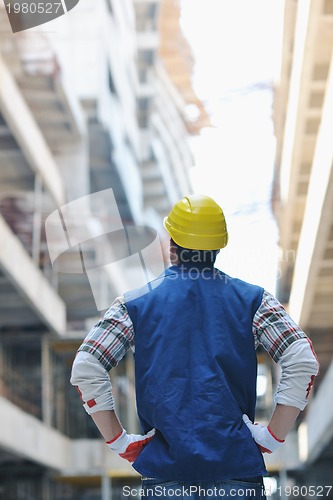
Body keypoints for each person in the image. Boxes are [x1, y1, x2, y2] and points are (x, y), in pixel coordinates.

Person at [70, 194, 319, 500]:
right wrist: (273, 435)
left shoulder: (134, 305)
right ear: (218, 246)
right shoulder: (254, 301)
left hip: (165, 479)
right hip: (238, 476)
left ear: (172, 244)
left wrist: (120, 442)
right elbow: (302, 359)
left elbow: (86, 366)